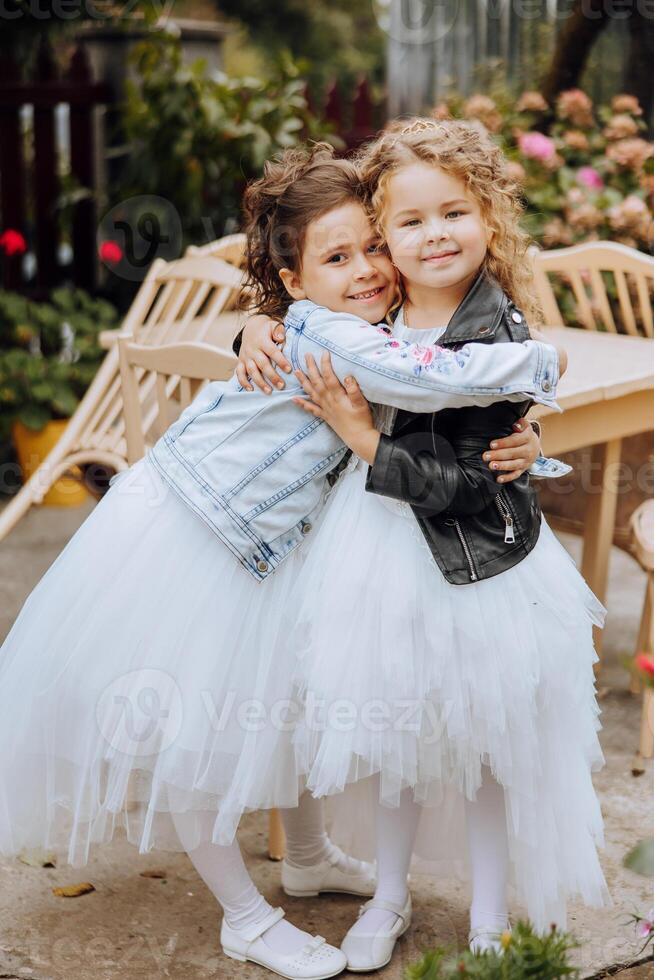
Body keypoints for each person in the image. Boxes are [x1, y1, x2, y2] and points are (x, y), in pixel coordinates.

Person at [0, 145, 563, 980]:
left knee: (290, 701)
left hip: (277, 539)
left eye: (373, 245)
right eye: (337, 258)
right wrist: (543, 366)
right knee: (200, 724)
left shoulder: (346, 317)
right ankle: (242, 916)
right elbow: (430, 379)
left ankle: (307, 857)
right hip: (199, 536)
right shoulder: (332, 333)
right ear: (296, 281)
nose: (369, 269)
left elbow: (439, 403)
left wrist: (529, 442)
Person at [237, 121, 611, 972]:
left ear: (490, 217)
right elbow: (304, 308)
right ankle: (389, 897)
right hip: (376, 555)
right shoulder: (383, 303)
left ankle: (485, 915)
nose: (433, 234)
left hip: (474, 563)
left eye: (454, 212)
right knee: (396, 741)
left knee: (481, 750)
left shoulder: (497, 325)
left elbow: (474, 481)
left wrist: (368, 442)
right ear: (383, 239)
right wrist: (251, 329)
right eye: (409, 223)